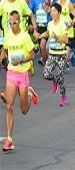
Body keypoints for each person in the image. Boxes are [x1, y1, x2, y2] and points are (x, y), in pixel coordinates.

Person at [0, 11, 39, 152]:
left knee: (23, 110)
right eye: (10, 23)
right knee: (9, 107)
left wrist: (21, 60)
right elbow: (4, 50)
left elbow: (32, 54)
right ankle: (9, 140)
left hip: (22, 74)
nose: (12, 26)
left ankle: (29, 94)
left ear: (19, 22)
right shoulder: (8, 35)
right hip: (11, 74)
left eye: (14, 23)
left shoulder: (24, 37)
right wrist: (1, 57)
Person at [41, 3, 69, 107]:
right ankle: (54, 80)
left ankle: (63, 97)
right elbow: (48, 33)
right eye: (51, 11)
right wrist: (41, 35)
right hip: (52, 53)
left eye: (54, 11)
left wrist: (57, 37)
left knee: (61, 77)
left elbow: (66, 39)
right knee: (45, 74)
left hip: (61, 54)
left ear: (59, 13)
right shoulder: (50, 24)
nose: (52, 13)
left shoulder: (62, 24)